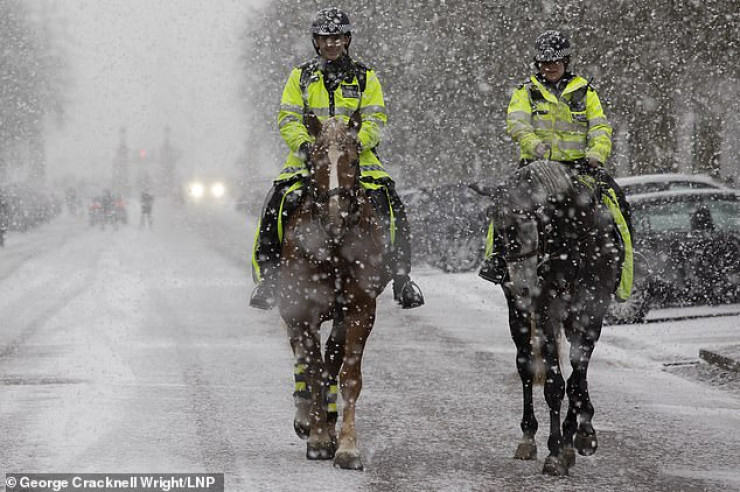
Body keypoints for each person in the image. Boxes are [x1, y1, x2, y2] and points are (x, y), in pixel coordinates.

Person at [249, 7, 424, 310]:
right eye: (324, 38)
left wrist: (357, 143)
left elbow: (375, 118)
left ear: (347, 39)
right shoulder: (300, 76)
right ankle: (269, 278)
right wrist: (305, 146)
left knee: (390, 206)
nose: (331, 43)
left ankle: (401, 278)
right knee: (278, 204)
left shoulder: (365, 77)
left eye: (337, 37)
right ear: (316, 41)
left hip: (358, 160)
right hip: (308, 161)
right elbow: (288, 118)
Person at [479, 30, 633, 301]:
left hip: (578, 169)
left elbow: (600, 127)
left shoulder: (586, 91)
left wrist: (596, 153)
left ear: (566, 61)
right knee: (504, 206)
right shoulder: (525, 91)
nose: (550, 67)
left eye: (555, 62)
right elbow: (517, 124)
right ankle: (496, 258)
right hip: (535, 168)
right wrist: (535, 145)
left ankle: (622, 268)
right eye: (544, 62)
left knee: (617, 204)